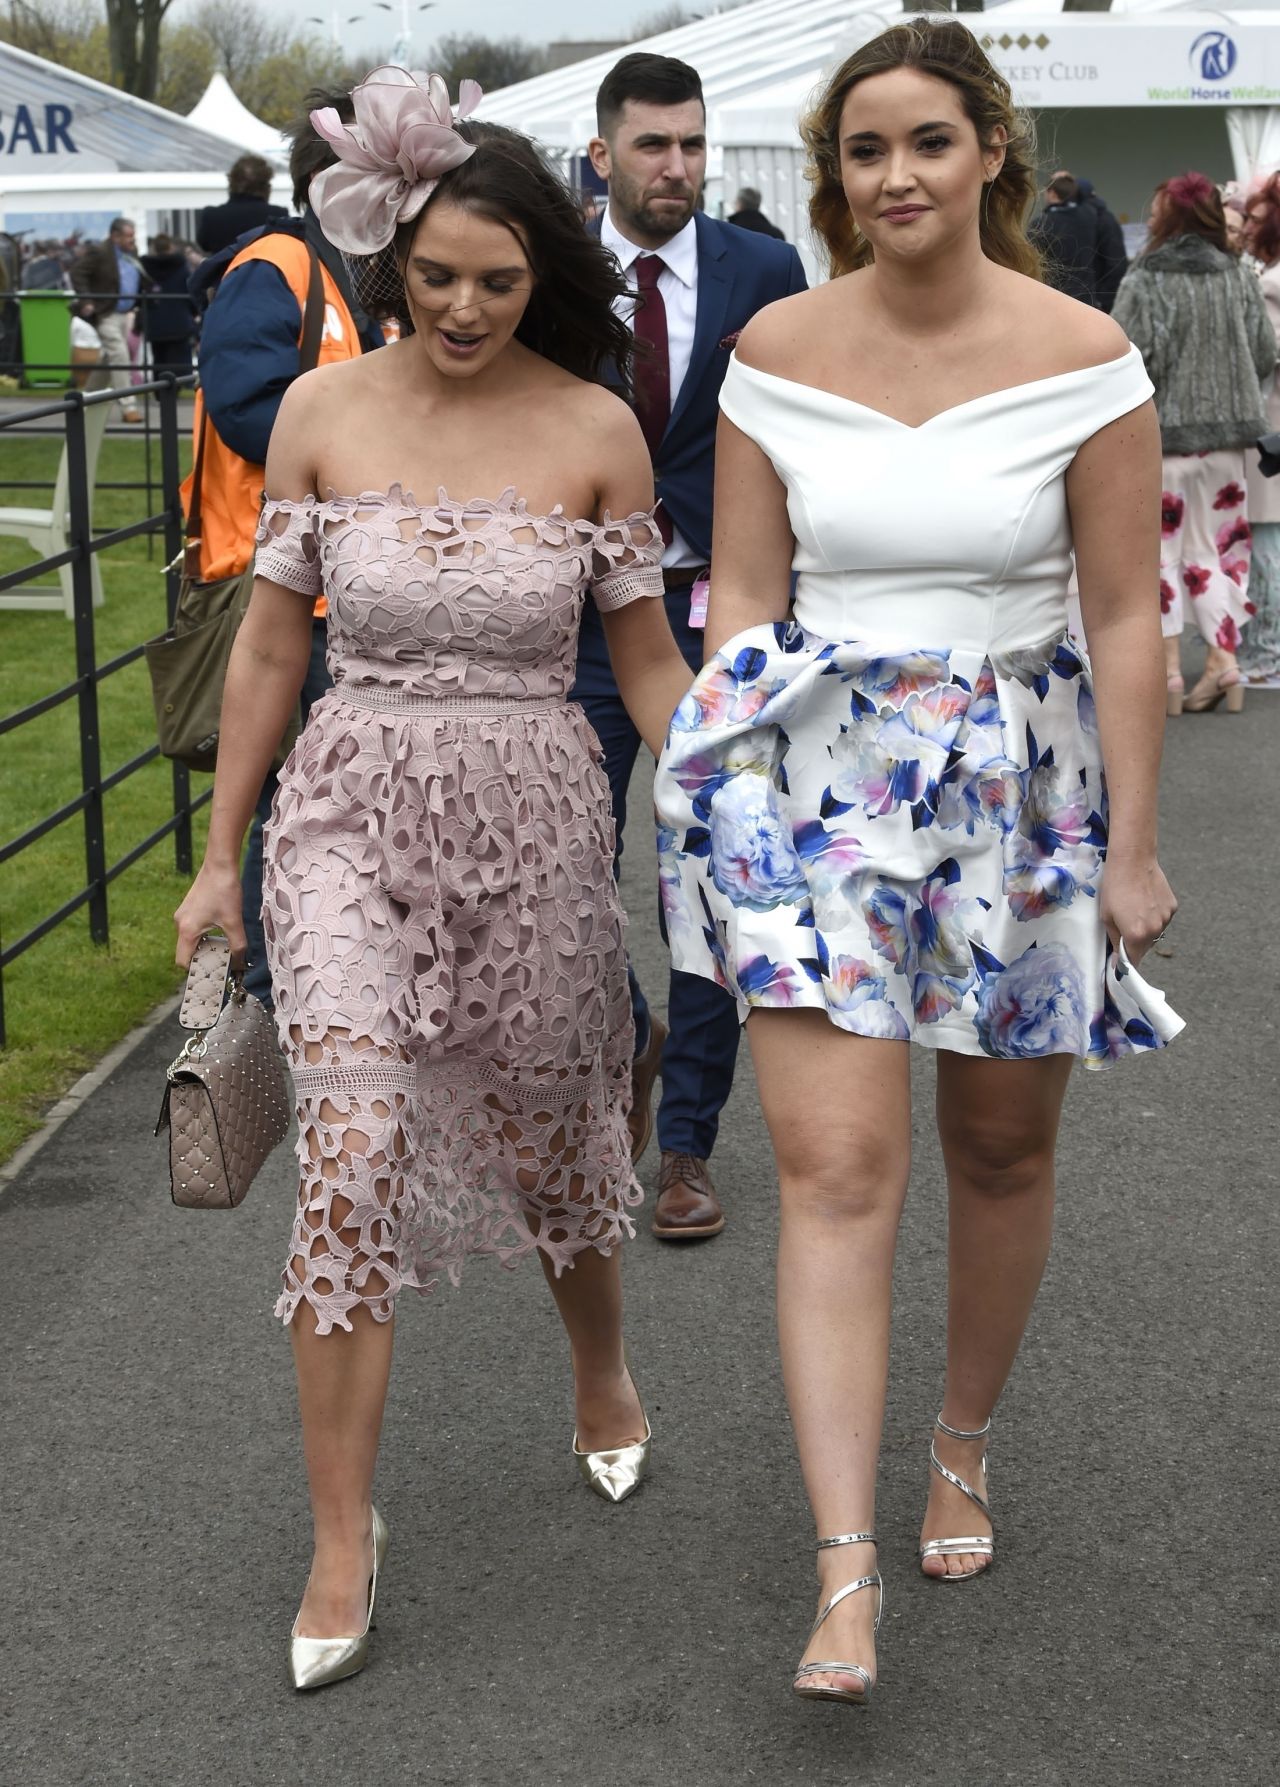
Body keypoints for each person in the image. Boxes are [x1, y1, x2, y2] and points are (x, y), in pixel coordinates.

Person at [654, 17, 1182, 1705]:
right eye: (866, 150)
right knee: (834, 1169)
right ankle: (842, 1570)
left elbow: (1123, 614)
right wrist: (725, 802)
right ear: (836, 176)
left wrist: (1136, 847)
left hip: (1024, 782)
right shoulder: (773, 348)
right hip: (813, 789)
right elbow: (740, 599)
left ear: (992, 157)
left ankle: (959, 1441)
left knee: (1002, 1151)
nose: (896, 175)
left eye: (928, 144)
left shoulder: (1085, 348)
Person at [173, 67, 693, 1693]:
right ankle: (343, 1533)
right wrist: (214, 862)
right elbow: (270, 642)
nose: (464, 306)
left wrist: (732, 796)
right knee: (353, 1155)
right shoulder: (323, 414)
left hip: (539, 819)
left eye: (500, 278)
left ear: (545, 268)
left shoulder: (598, 427)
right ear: (392, 252)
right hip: (343, 817)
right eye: (437, 274)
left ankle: (599, 1366)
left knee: (557, 1143)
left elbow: (652, 665)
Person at [580, 51, 807, 1239]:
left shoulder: (762, 268)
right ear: (603, 147)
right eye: (652, 144)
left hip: (718, 617)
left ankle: (685, 1146)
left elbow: (798, 423)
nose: (675, 166)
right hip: (573, 618)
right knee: (558, 866)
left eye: (691, 143)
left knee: (711, 877)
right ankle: (626, 1034)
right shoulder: (554, 268)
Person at [185, 90, 386, 1008]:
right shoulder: (275, 268)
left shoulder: (370, 271)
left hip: (345, 587)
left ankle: (306, 977)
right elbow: (243, 405)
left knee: (322, 797)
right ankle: (276, 989)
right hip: (279, 587)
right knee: (305, 799)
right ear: (327, 178)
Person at [1112, 172, 1276, 714]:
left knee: (1161, 556)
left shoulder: (1146, 276)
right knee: (1222, 551)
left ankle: (1168, 677)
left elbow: (1127, 358)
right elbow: (1262, 351)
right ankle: (1223, 662)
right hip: (1229, 446)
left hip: (1164, 440)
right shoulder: (1236, 275)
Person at [1240, 173, 1280, 685]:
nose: (1246, 224)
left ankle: (1266, 654)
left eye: (1253, 215)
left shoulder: (1270, 282)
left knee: (1265, 539)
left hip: (1270, 419)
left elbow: (1263, 352)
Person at [70, 217, 150, 421]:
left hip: (126, 313)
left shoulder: (131, 252)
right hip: (106, 312)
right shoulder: (100, 252)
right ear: (115, 236)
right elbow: (77, 272)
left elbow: (136, 276)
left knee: (110, 356)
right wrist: (87, 300)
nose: (132, 240)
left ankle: (87, 397)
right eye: (128, 236)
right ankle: (128, 406)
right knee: (119, 353)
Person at [197, 152, 289, 255]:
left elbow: (204, 245)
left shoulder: (211, 216)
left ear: (231, 181)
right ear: (266, 185)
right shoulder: (279, 216)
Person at [1029, 173, 1098, 306]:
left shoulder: (1041, 224)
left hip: (1056, 297)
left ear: (1053, 194)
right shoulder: (1089, 217)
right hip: (1087, 296)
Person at [139, 233, 197, 377]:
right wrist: (195, 312)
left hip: (154, 321)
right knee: (179, 361)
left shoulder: (146, 268)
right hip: (179, 320)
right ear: (171, 247)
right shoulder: (182, 267)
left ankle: (160, 392)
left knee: (159, 359)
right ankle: (179, 387)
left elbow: (140, 292)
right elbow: (190, 290)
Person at [1074, 176, 1128, 313]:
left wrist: (1103, 300)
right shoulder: (1104, 217)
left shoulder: (1097, 220)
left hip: (1099, 300)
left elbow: (1116, 264)